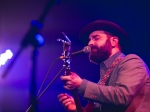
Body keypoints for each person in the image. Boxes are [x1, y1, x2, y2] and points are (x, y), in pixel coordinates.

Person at [58, 20, 150, 112]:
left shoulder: (131, 61)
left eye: (96, 38)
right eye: (89, 40)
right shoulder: (103, 78)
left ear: (113, 41)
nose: (90, 43)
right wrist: (77, 108)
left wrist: (81, 85)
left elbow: (122, 96)